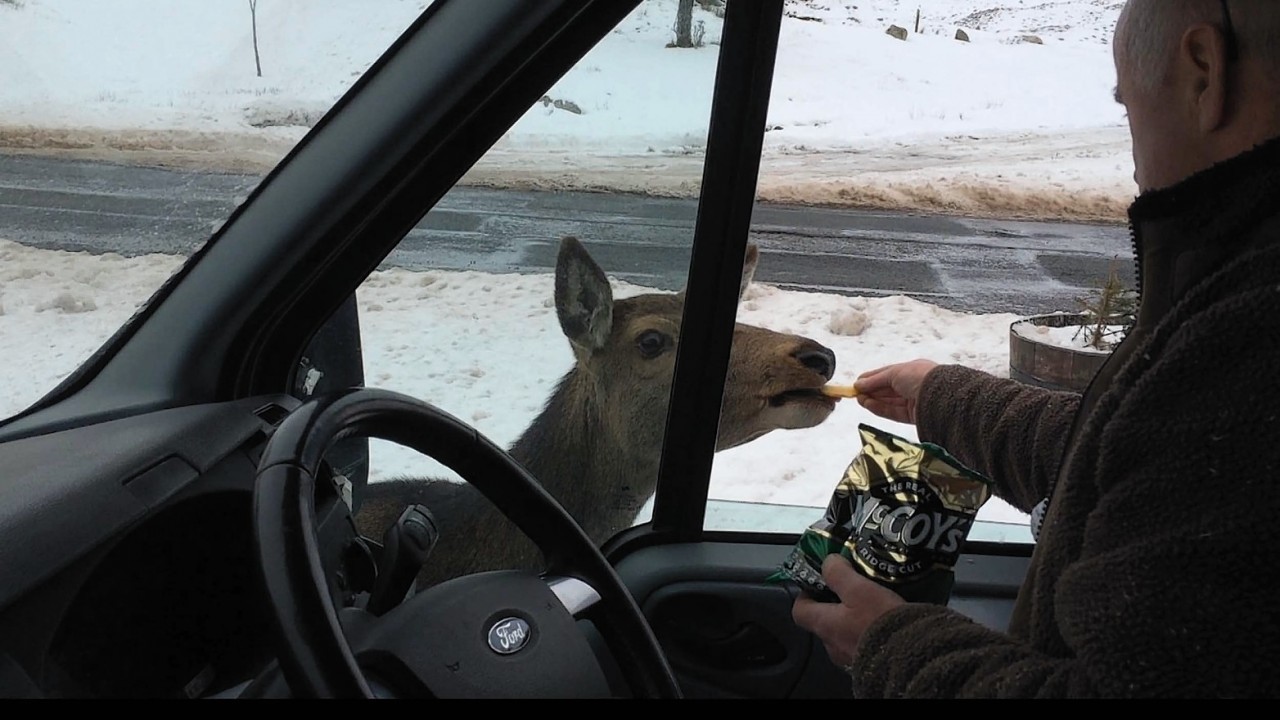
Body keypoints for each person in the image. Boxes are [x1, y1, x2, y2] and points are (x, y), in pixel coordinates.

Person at [791, 0, 1280, 698]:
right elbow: (1130, 454)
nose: (1131, 149)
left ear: (1204, 72)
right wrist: (944, 394)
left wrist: (892, 647)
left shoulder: (1250, 337)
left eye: (1127, 106)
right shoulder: (1237, 290)